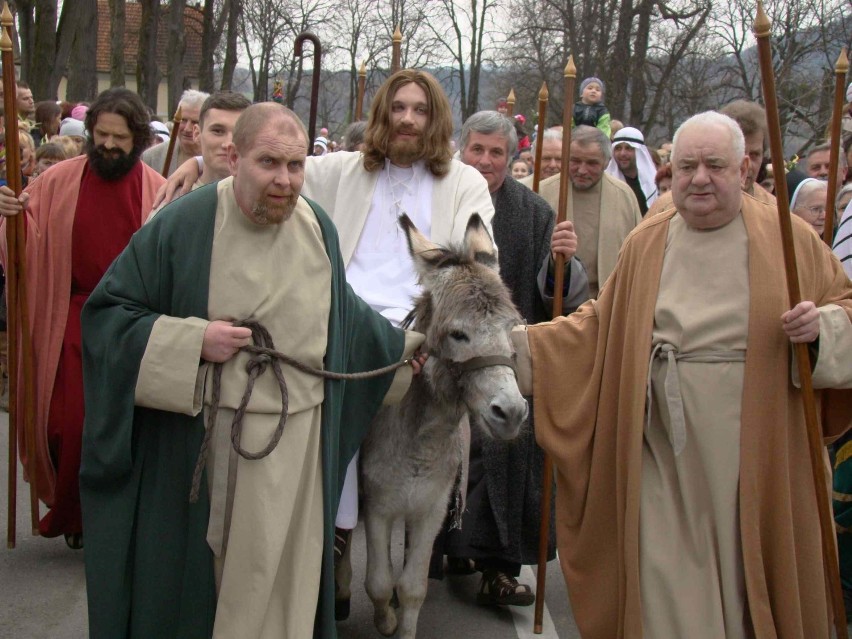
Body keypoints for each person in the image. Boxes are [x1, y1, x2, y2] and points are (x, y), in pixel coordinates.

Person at [155, 68, 495, 618]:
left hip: (423, 331)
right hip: (342, 324)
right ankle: (334, 544)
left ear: (436, 119)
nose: (408, 118)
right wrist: (199, 162)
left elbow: (473, 263)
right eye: (398, 108)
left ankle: (420, 550)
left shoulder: (464, 184)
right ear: (382, 115)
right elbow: (268, 168)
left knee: (439, 429)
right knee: (329, 431)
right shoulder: (340, 170)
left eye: (420, 109)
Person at [79, 102, 423, 639]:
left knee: (283, 577)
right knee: (212, 587)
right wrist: (193, 339)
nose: (285, 181)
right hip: (211, 443)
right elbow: (107, 319)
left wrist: (404, 349)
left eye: (296, 165)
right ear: (234, 158)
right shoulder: (185, 225)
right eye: (268, 164)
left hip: (300, 447)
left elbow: (347, 319)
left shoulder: (317, 227)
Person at [512, 111, 852, 638]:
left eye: (714, 165)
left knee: (746, 586)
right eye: (687, 164)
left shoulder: (789, 239)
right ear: (670, 170)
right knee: (660, 577)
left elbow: (844, 307)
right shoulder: (649, 240)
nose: (699, 178)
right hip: (660, 450)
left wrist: (823, 329)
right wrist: (515, 350)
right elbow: (600, 325)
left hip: (756, 452)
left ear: (744, 170)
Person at [431, 111, 587, 605]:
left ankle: (498, 570)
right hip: (451, 354)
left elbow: (556, 296)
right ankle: (450, 549)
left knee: (510, 450)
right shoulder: (443, 198)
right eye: (477, 149)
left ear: (511, 157)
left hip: (507, 356)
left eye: (496, 152)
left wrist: (562, 264)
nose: (485, 161)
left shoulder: (535, 212)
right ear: (462, 149)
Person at [0, 87, 166, 549]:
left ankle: (104, 517)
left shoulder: (156, 188)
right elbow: (25, 237)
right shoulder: (58, 180)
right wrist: (12, 217)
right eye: (101, 134)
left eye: (119, 137)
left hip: (130, 320)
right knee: (65, 423)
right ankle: (73, 510)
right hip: (70, 314)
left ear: (138, 139)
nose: (109, 145)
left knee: (116, 428)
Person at [529, 125, 642, 298]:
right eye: (575, 161)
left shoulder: (624, 196)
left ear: (606, 162)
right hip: (553, 304)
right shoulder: (542, 193)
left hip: (607, 303)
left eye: (591, 163)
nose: (582, 170)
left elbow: (638, 255)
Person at [649, 100, 776, 216]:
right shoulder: (664, 209)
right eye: (739, 153)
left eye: (754, 155)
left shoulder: (775, 213)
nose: (748, 166)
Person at [142, 88, 209, 176]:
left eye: (195, 122)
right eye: (183, 120)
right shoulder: (152, 157)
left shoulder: (218, 158)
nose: (187, 129)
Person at [192, 91, 252, 188]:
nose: (228, 143)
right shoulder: (173, 198)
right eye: (218, 131)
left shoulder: (267, 197)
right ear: (197, 134)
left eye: (238, 133)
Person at [605, 126, 658, 215]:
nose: (622, 153)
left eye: (628, 148)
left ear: (639, 151)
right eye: (618, 148)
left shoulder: (653, 183)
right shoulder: (607, 181)